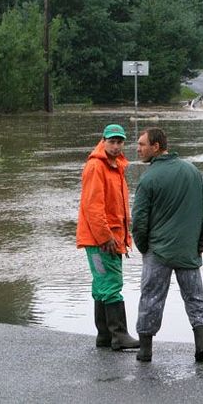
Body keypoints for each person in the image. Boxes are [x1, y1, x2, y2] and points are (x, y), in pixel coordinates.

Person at [133, 127, 203, 363]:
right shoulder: (192, 171)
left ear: (156, 147)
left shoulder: (148, 178)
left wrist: (143, 247)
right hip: (188, 250)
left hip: (158, 251)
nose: (138, 149)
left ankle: (145, 350)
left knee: (151, 298)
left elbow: (138, 221)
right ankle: (202, 345)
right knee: (195, 297)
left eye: (142, 144)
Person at [76, 124, 139, 351]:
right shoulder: (97, 166)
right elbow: (93, 206)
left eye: (119, 142)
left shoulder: (116, 166)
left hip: (108, 238)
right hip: (102, 240)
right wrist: (105, 237)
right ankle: (119, 336)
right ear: (103, 141)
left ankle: (105, 336)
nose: (115, 146)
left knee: (102, 285)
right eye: (111, 141)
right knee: (111, 284)